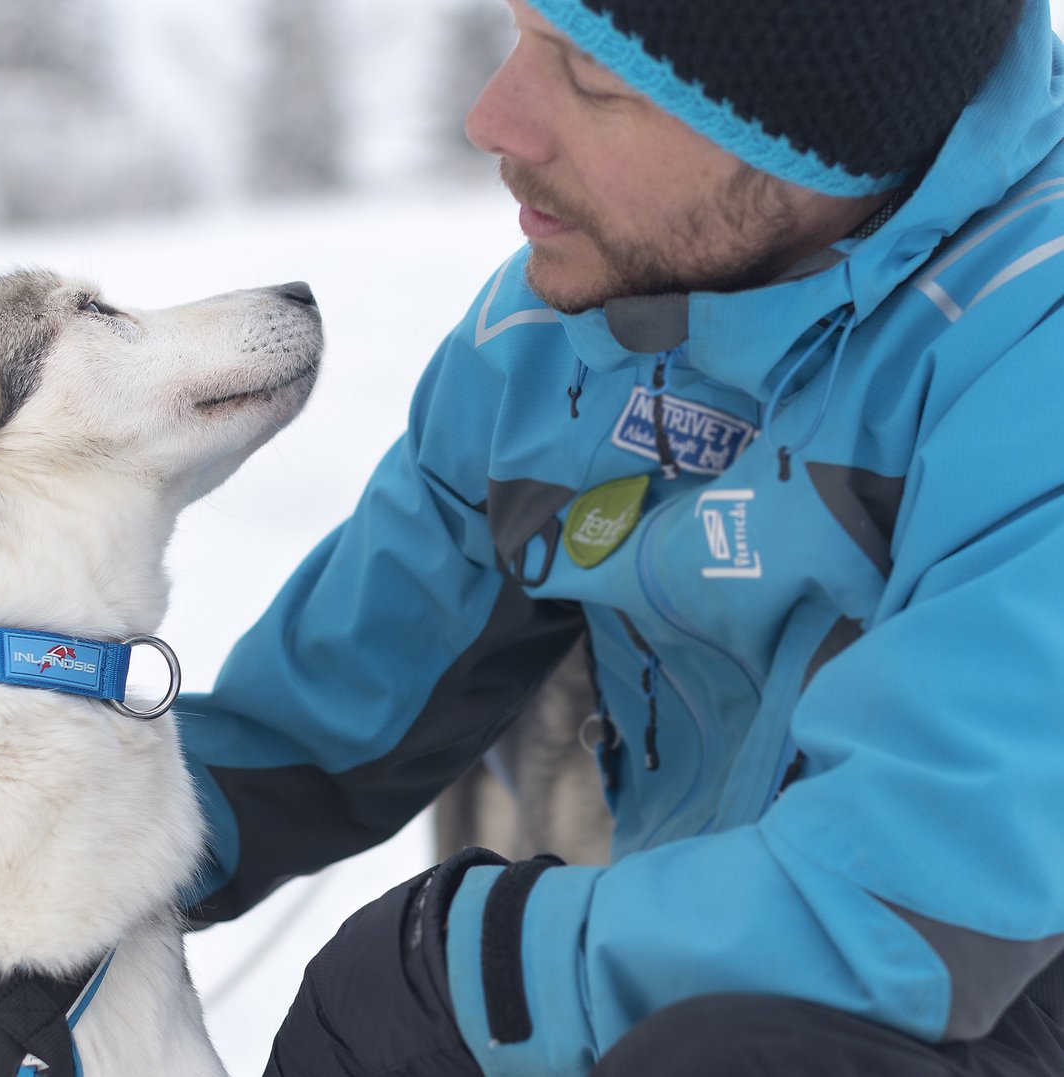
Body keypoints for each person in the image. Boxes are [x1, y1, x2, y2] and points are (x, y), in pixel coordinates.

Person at [176, 0, 1064, 1073]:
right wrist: (11, 837)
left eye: (594, 77)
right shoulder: (556, 337)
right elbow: (301, 734)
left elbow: (911, 902)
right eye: (518, 34)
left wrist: (463, 973)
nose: (493, 120)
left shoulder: (1026, 344)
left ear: (815, 133)